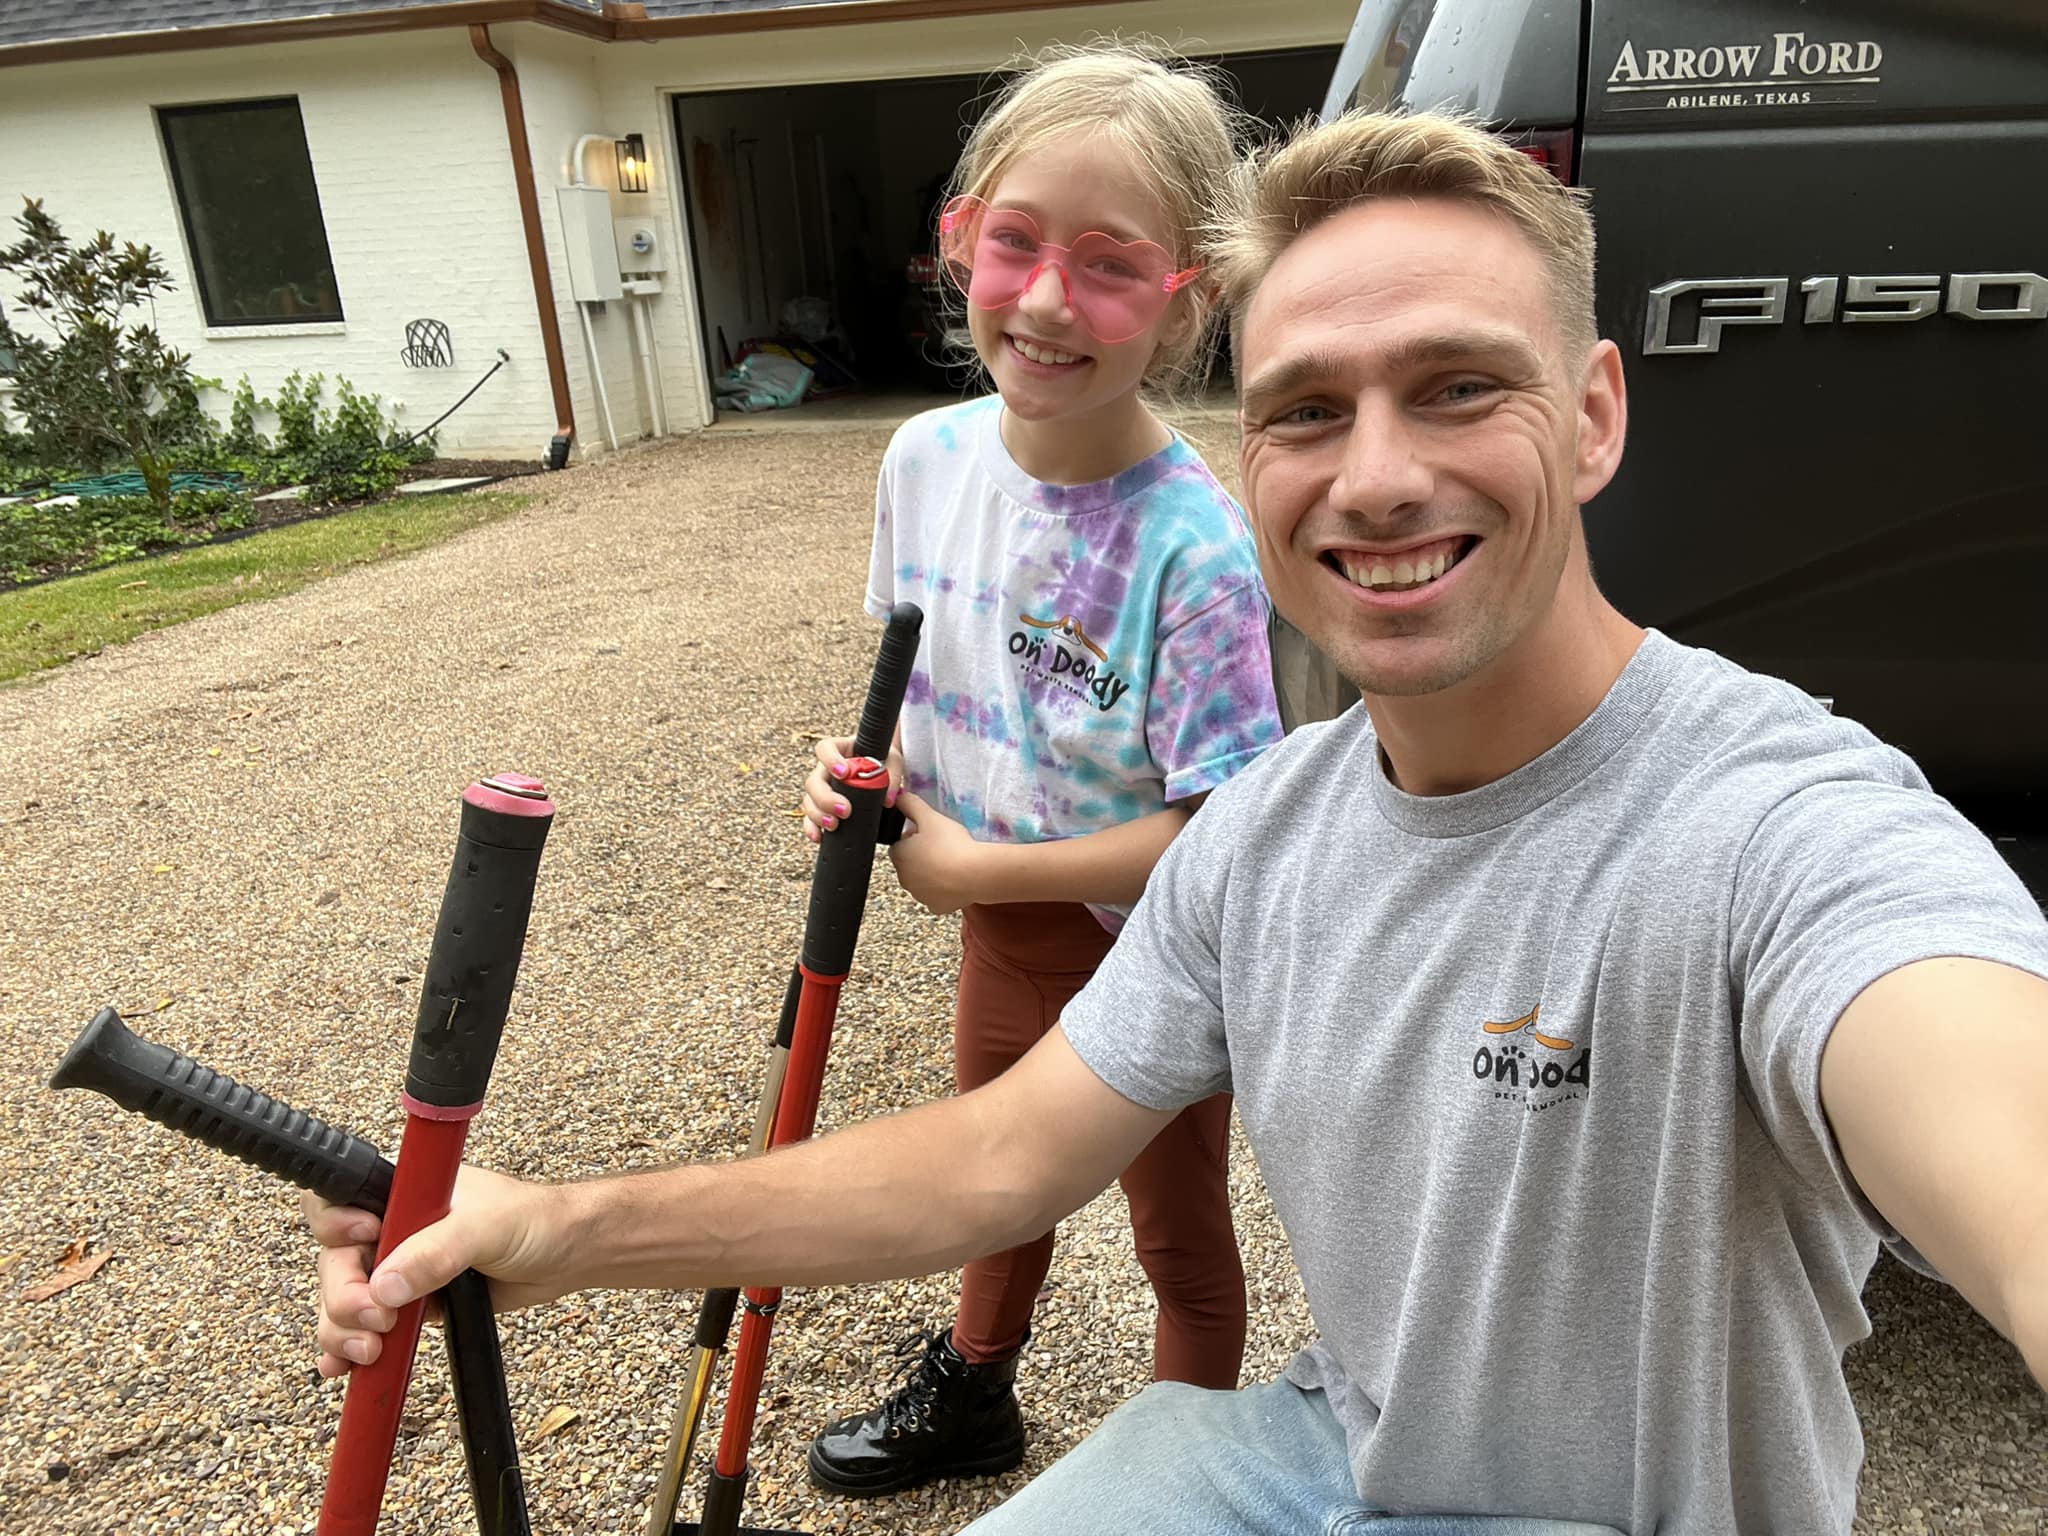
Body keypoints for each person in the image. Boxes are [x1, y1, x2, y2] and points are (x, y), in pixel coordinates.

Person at [305, 110, 2048, 1534]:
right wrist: (562, 1230)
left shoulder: (1781, 826)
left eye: (1457, 386)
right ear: (1254, 450)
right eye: (1307, 410)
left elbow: (1982, 1098)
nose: (1373, 474)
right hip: (1319, 1461)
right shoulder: (1267, 832)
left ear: (1593, 413)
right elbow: (997, 1159)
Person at [787, 42, 1285, 1496]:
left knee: (1176, 1230)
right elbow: (914, 692)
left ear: (1186, 293)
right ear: (960, 245)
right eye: (1016, 244)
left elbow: (1226, 828)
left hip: (1157, 947)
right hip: (1000, 922)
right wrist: (857, 775)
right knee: (996, 1176)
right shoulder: (924, 463)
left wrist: (981, 869)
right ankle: (978, 1397)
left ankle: (1179, 1474)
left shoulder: (1195, 548)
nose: (1051, 300)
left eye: (1112, 264)